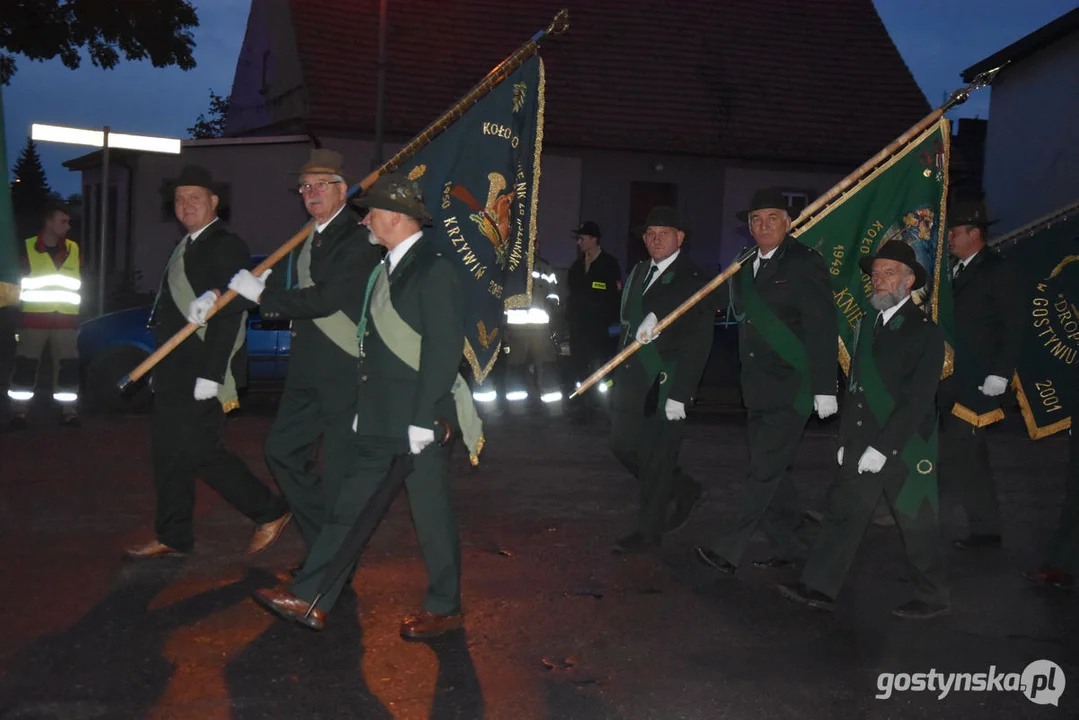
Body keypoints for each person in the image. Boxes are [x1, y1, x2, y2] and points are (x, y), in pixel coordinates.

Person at [251, 171, 481, 638]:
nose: (366, 221)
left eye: (372, 212)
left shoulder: (432, 268)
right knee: (349, 508)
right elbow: (369, 342)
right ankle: (312, 596)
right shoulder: (385, 266)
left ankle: (445, 605)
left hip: (418, 418)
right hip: (380, 415)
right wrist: (365, 400)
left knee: (430, 513)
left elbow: (442, 348)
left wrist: (423, 418)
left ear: (396, 217)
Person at [124, 165, 291, 560]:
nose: (186, 205)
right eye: (180, 199)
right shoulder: (183, 246)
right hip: (173, 369)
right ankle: (173, 534)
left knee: (198, 449)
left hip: (202, 370)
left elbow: (232, 310)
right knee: (167, 452)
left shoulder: (225, 244)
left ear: (214, 202)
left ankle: (270, 509)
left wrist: (212, 374)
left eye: (195, 198)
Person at [216, 149, 380, 550]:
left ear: (343, 190)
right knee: (282, 451)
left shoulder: (359, 237)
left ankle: (328, 568)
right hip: (305, 367)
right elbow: (270, 287)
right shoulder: (306, 236)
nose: (310, 192)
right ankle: (326, 546)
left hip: (344, 366)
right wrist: (217, 301)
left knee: (341, 472)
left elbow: (323, 300)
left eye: (320, 184)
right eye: (304, 186)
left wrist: (261, 296)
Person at [778, 241, 950, 619]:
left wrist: (883, 448)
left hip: (905, 443)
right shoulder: (867, 323)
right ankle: (819, 584)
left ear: (908, 283)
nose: (879, 281)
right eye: (875, 274)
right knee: (844, 513)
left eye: (889, 274)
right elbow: (856, 386)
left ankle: (933, 594)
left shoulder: (925, 332)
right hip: (863, 440)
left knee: (916, 522)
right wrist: (846, 440)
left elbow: (917, 400)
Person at [695, 187, 838, 574]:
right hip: (756, 387)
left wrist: (826, 387)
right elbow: (722, 305)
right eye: (756, 219)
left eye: (772, 217)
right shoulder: (744, 263)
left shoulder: (804, 262)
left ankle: (729, 549)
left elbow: (822, 326)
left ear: (788, 223)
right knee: (775, 470)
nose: (762, 225)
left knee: (762, 472)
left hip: (794, 387)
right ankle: (793, 547)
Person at [608, 206, 715, 554]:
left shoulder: (695, 278)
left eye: (663, 233)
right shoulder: (639, 271)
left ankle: (647, 533)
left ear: (680, 238)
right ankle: (682, 487)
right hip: (630, 380)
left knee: (657, 458)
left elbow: (698, 343)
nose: (655, 239)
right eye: (650, 233)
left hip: (664, 383)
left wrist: (680, 394)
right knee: (621, 444)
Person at [939, 199, 1023, 550]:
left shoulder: (997, 269)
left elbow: (1014, 324)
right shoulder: (953, 271)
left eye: (954, 234)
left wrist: (1001, 373)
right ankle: (986, 529)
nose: (949, 241)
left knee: (957, 452)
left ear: (975, 234)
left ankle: (922, 522)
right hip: (951, 378)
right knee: (972, 456)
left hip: (980, 381)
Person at [7, 202, 82, 427]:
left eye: (69, 222)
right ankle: (19, 412)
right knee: (25, 366)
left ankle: (69, 412)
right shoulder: (26, 247)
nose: (68, 226)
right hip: (33, 320)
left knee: (68, 367)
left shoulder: (74, 248)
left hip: (66, 322)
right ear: (48, 222)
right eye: (63, 221)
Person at [565, 221, 621, 417]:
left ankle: (606, 403)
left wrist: (609, 319)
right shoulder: (577, 266)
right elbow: (571, 293)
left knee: (602, 366)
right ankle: (582, 404)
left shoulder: (609, 264)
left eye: (582, 238)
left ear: (593, 239)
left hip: (599, 329)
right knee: (579, 366)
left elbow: (615, 296)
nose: (579, 242)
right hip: (579, 328)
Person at [503, 253, 563, 408]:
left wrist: (552, 314)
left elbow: (554, 295)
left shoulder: (545, 268)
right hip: (516, 329)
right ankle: (517, 408)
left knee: (547, 366)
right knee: (515, 367)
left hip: (540, 329)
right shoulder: (510, 266)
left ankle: (552, 407)